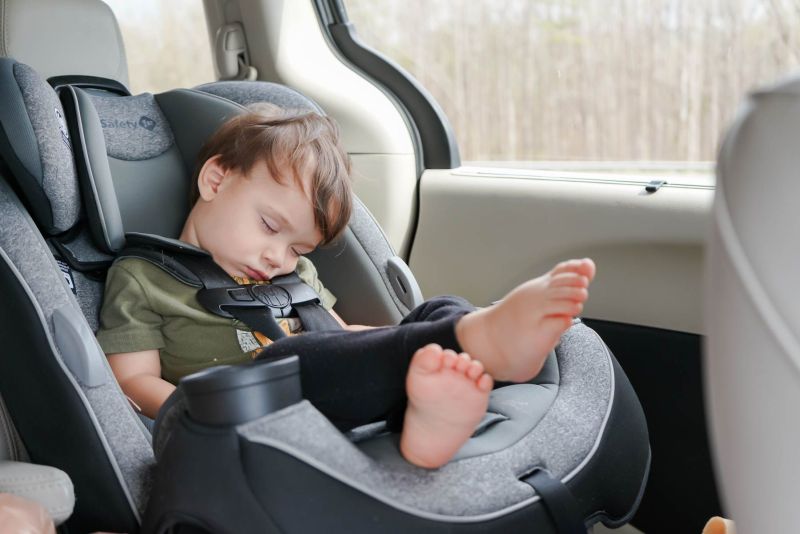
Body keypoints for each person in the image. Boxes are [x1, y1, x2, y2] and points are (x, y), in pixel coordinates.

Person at [96, 109, 595, 469]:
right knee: (302, 358)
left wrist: (381, 345)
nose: (279, 258)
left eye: (299, 249)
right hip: (251, 408)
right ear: (216, 179)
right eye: (270, 226)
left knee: (430, 313)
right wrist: (214, 412)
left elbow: (335, 334)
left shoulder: (291, 278)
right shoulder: (144, 276)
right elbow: (133, 381)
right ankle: (476, 343)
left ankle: (444, 387)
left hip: (322, 384)